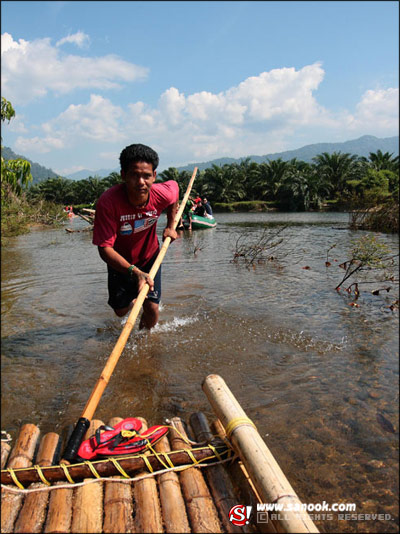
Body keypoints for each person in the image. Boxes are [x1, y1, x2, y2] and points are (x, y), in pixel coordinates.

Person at [92, 143, 179, 330]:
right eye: (134, 175)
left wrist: (171, 226)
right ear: (123, 175)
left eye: (147, 176)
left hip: (150, 257)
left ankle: (143, 346)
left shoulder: (161, 193)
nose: (141, 182)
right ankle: (132, 300)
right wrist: (135, 272)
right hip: (120, 261)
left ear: (154, 176)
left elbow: (175, 192)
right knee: (120, 310)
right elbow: (104, 249)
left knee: (152, 307)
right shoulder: (108, 202)